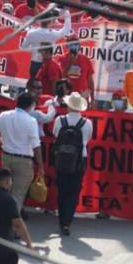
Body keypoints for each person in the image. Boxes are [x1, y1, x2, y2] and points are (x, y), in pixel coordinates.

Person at [0, 92, 43, 211]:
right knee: (18, 195)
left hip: (6, 157)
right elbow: (36, 145)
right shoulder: (31, 121)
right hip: (24, 161)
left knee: (3, 190)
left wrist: (1, 141)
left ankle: (1, 217)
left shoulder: (4, 115)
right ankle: (12, 222)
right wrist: (41, 166)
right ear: (31, 105)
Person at [51, 92, 92, 236]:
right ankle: (67, 221)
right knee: (74, 191)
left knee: (62, 191)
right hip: (80, 160)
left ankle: (62, 220)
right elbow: (87, 139)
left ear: (68, 106)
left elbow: (55, 135)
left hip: (61, 159)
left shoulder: (59, 120)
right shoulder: (87, 123)